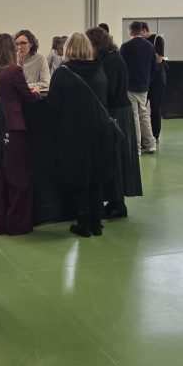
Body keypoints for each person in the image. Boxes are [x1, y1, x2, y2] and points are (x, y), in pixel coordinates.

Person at [47, 32, 111, 237]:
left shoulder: (63, 73)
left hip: (73, 133)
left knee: (79, 177)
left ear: (68, 49)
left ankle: (83, 222)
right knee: (96, 176)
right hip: (100, 131)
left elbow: (53, 106)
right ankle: (96, 222)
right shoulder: (99, 70)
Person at [87, 26, 141, 217]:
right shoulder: (111, 58)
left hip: (117, 112)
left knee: (116, 158)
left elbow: (108, 90)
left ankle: (118, 204)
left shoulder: (111, 61)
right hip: (117, 110)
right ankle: (114, 200)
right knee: (113, 158)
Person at [0, 33, 39, 235]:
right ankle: (17, 224)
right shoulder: (14, 71)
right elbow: (28, 97)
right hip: (14, 127)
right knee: (18, 178)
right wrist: (34, 94)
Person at [120, 20, 156, 154]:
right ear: (142, 30)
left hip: (130, 86)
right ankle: (150, 144)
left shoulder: (125, 47)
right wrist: (147, 81)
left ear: (130, 31)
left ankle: (137, 148)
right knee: (144, 115)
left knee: (134, 116)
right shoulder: (150, 46)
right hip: (144, 86)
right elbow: (154, 67)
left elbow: (122, 68)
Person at [145, 26, 167, 146]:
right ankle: (144, 135)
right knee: (141, 110)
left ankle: (155, 135)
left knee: (155, 108)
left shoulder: (157, 39)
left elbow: (159, 59)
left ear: (144, 30)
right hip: (145, 79)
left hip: (157, 80)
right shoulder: (141, 41)